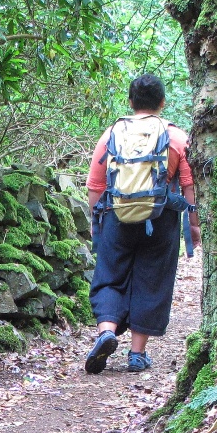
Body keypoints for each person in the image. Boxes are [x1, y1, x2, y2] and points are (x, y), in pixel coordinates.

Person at [83, 74, 199, 374]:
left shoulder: (112, 134)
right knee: (152, 280)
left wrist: (98, 222)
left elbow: (95, 185)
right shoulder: (176, 137)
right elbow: (188, 184)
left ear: (131, 102)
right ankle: (137, 354)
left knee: (110, 275)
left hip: (116, 216)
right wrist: (194, 225)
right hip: (161, 219)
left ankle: (107, 331)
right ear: (162, 102)